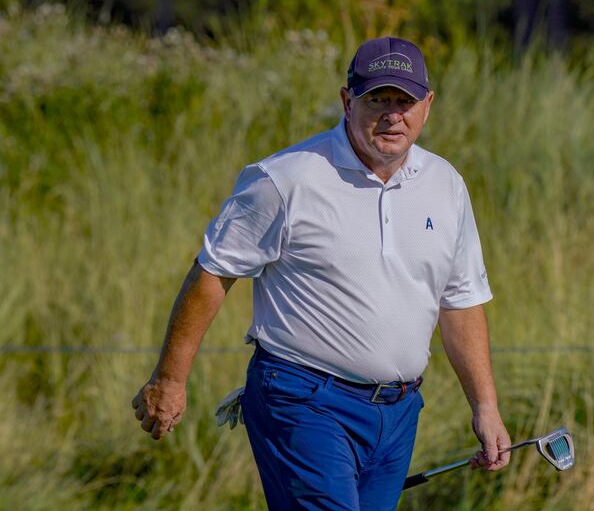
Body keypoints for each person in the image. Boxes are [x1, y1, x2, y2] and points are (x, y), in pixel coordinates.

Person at [131, 36, 511, 510]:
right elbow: (213, 272)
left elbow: (459, 300)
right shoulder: (285, 179)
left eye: (405, 101)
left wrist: (486, 407)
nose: (394, 115)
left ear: (427, 106)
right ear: (347, 100)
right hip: (303, 401)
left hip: (398, 414)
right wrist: (170, 379)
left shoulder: (446, 185)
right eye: (378, 99)